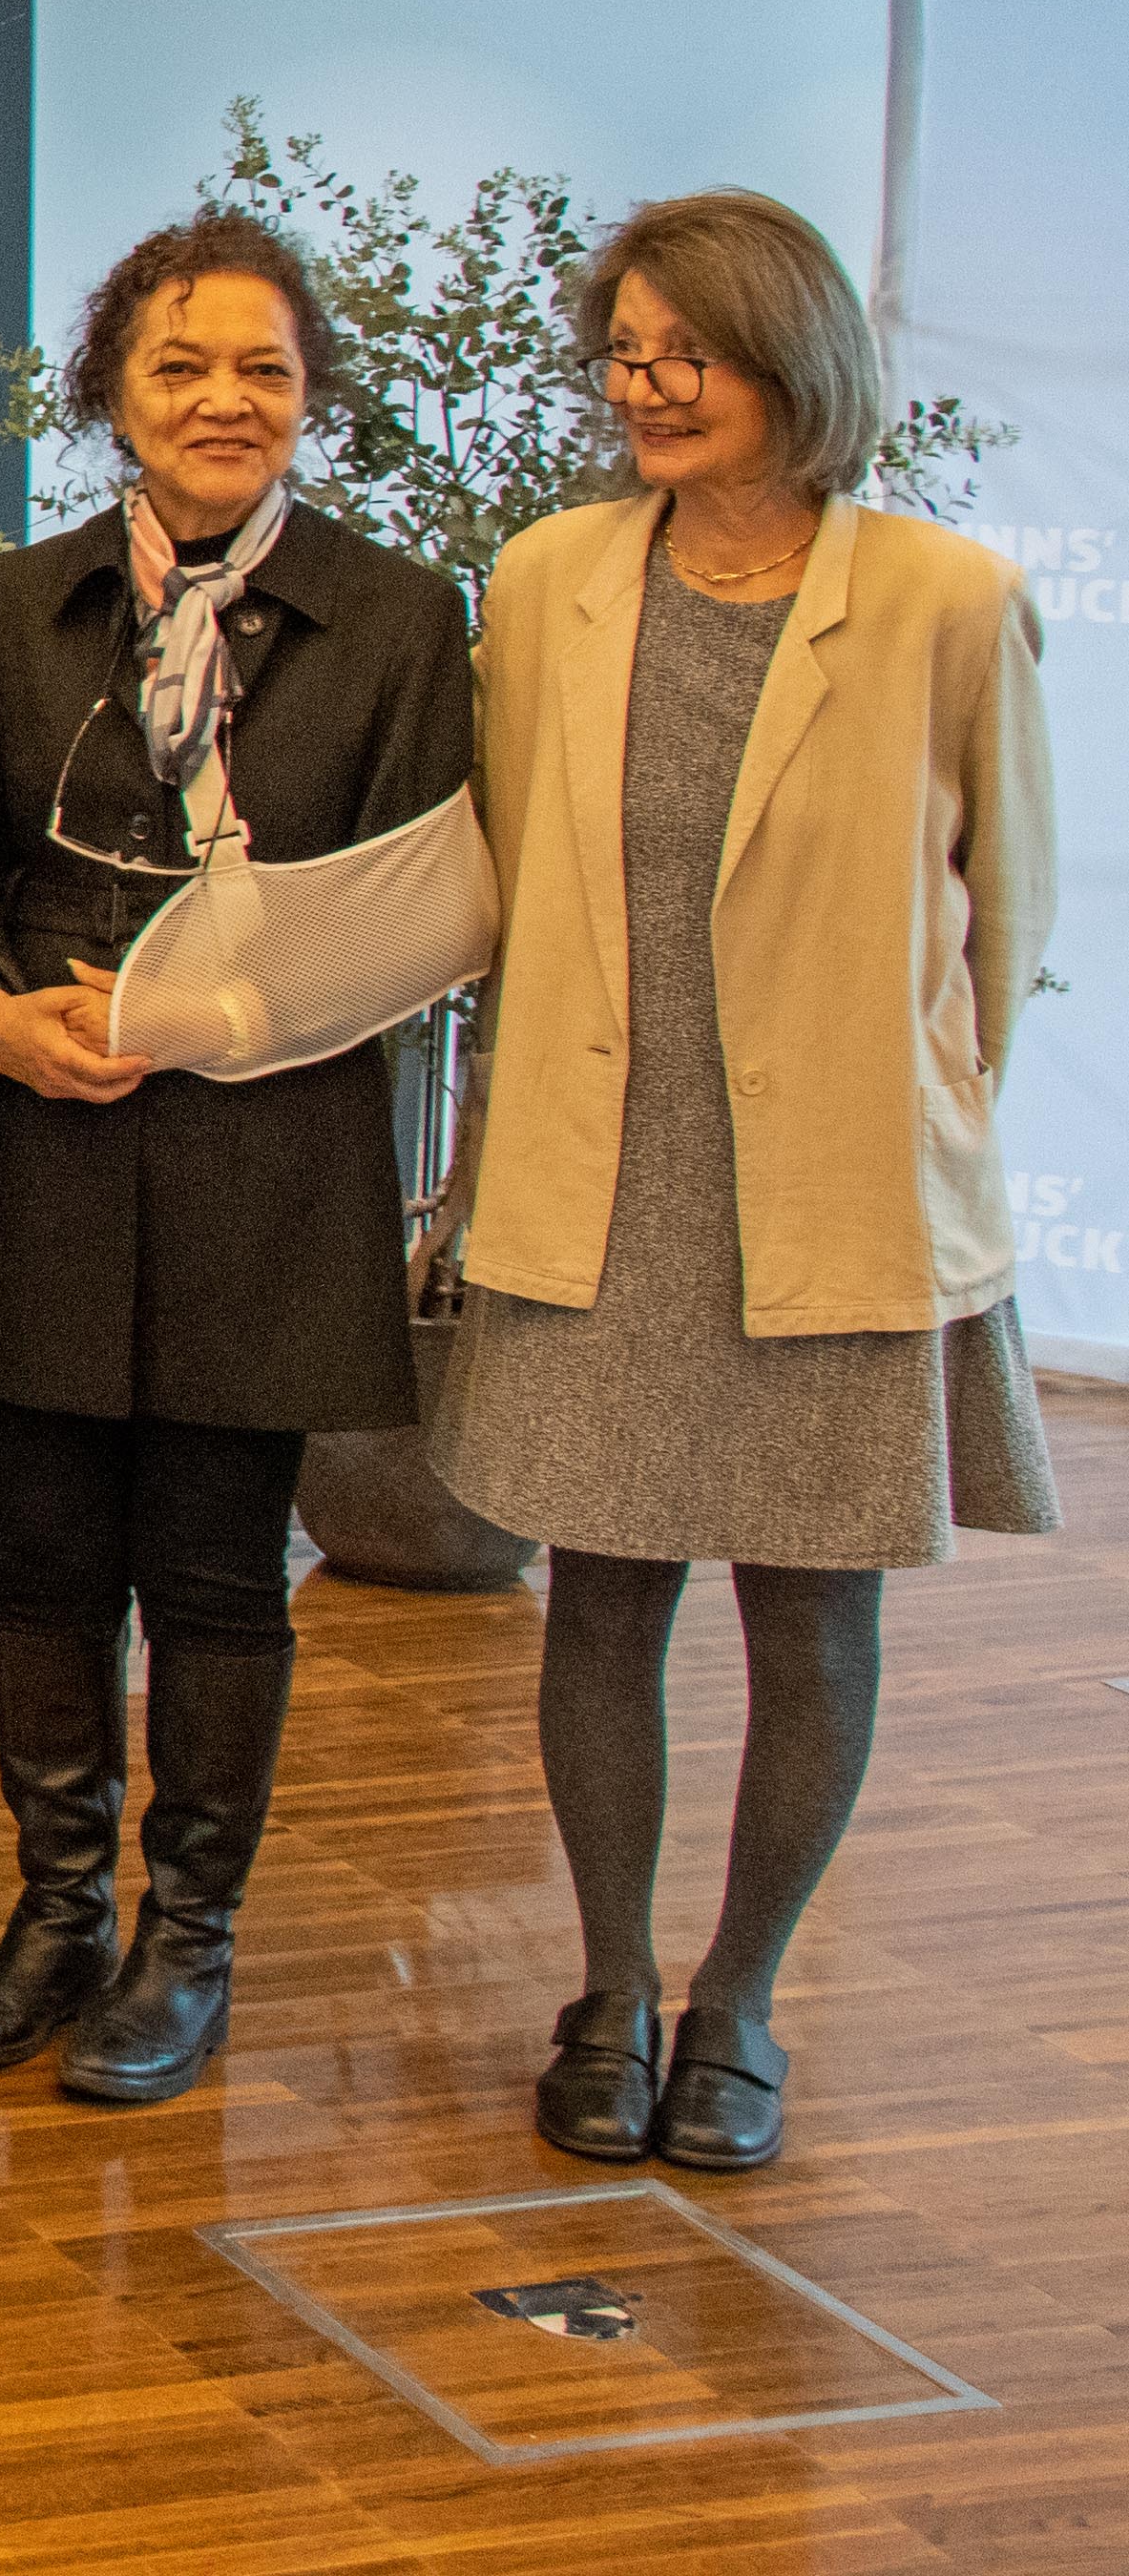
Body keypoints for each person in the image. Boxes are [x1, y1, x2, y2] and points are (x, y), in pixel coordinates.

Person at [430, 189, 1058, 2174]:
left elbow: (998, 915)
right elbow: (507, 874)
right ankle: (606, 1986)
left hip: (836, 1185)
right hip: (593, 1171)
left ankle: (740, 1998)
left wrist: (930, 1112)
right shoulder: (542, 580)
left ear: (790, 357)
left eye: (680, 350)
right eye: (620, 351)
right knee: (594, 1600)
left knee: (812, 1614)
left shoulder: (944, 596)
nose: (643, 388)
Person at [0, 213, 471, 2103]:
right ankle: (53, 1912)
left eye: (261, 368)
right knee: (33, 1556)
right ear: (110, 391)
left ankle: (183, 1940)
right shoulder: (32, 603)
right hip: (38, 1137)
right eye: (177, 365)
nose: (220, 398)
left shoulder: (395, 617)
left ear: (309, 397)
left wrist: (207, 1016)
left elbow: (418, 911)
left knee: (212, 1572)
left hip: (261, 1158)